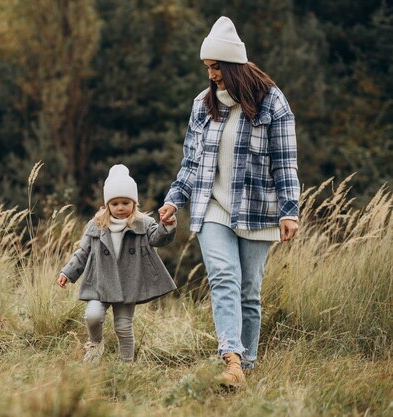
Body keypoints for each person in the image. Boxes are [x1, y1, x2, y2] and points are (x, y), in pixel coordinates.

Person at [158, 16, 300, 387]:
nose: (211, 75)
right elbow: (190, 164)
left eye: (217, 67)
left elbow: (285, 162)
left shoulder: (272, 103)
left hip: (258, 210)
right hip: (212, 208)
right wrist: (175, 200)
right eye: (207, 67)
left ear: (235, 66)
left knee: (249, 291)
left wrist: (290, 211)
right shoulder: (202, 106)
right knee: (224, 278)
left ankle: (247, 366)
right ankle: (232, 360)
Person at [57, 164, 177, 364]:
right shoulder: (96, 225)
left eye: (125, 202)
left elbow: (158, 239)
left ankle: (125, 365)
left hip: (126, 283)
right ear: (107, 205)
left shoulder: (143, 223)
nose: (120, 208)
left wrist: (167, 226)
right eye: (115, 204)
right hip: (99, 282)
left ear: (134, 202)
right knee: (92, 316)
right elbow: (83, 251)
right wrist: (68, 273)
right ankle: (96, 344)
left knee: (123, 326)